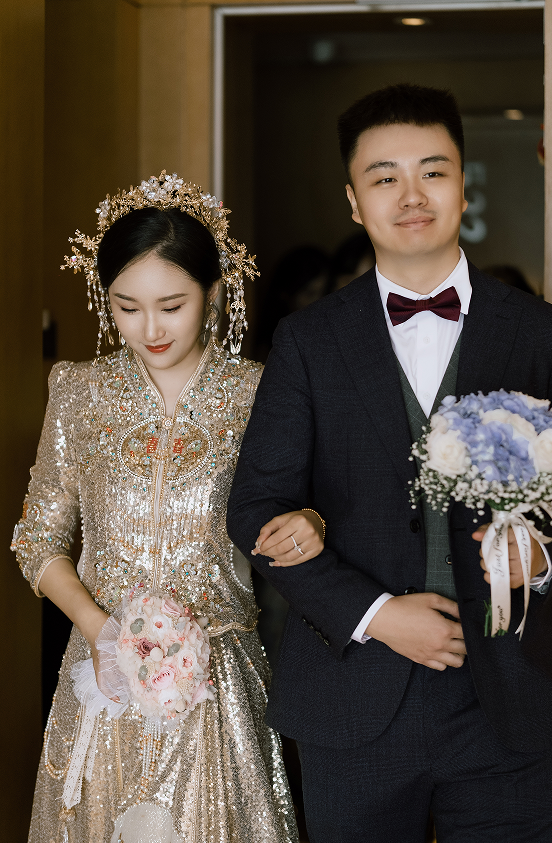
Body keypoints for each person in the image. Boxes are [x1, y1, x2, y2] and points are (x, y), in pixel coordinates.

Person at [226, 85, 552, 843]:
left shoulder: (543, 335)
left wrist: (542, 558)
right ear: (354, 201)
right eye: (385, 177)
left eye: (432, 172)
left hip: (506, 699)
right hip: (353, 697)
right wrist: (377, 615)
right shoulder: (308, 341)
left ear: (463, 186)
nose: (411, 196)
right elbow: (254, 508)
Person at [12, 172, 323, 843]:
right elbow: (36, 539)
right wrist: (100, 631)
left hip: (217, 685)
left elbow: (310, 508)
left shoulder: (259, 394)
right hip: (101, 684)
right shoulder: (79, 392)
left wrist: (311, 521)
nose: (149, 328)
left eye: (171, 305)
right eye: (127, 307)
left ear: (213, 293)